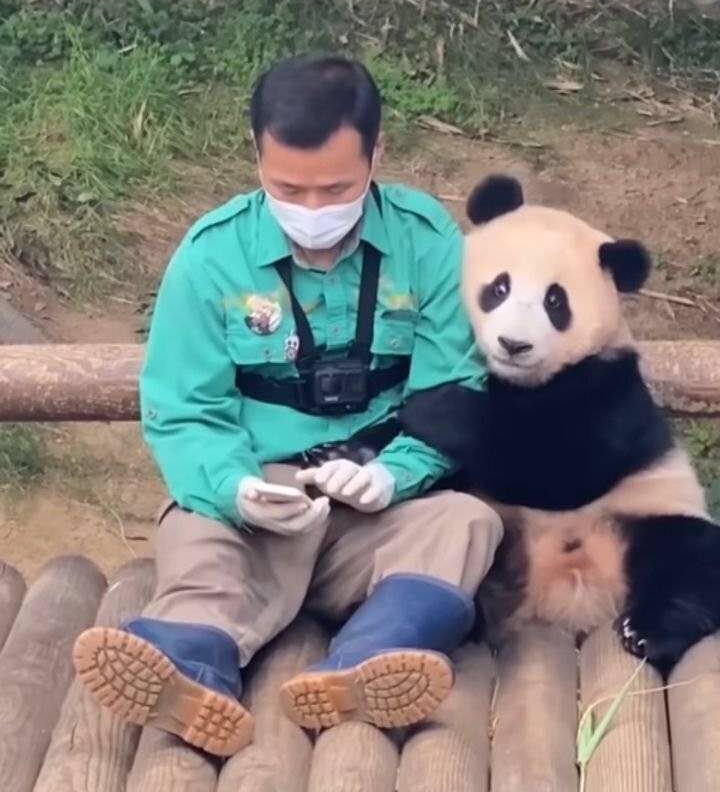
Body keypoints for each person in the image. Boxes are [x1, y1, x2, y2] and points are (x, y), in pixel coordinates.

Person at [72, 55, 503, 757]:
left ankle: (366, 662)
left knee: (466, 522)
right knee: (198, 543)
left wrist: (397, 472)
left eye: (334, 187)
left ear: (377, 155)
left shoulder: (427, 242)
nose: (311, 209)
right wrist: (233, 487)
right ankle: (187, 665)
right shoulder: (211, 256)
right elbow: (182, 409)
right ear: (257, 159)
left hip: (375, 508)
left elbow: (454, 389)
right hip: (257, 502)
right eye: (286, 187)